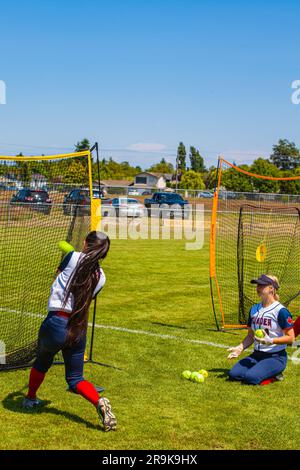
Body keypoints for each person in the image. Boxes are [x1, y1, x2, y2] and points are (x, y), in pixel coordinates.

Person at [22, 231, 117, 432]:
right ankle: (99, 402)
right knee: (75, 380)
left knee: (41, 363)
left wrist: (70, 258)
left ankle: (30, 398)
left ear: (85, 243)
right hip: (78, 328)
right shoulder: (102, 277)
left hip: (56, 322)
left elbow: (57, 277)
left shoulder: (72, 257)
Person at [227, 274, 295, 385]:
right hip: (256, 355)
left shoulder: (280, 311)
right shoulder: (254, 309)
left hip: (276, 357)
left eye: (262, 285)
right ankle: (261, 370)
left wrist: (271, 341)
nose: (258, 288)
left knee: (250, 378)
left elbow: (291, 338)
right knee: (234, 374)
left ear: (271, 288)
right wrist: (240, 348)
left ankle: (276, 374)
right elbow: (251, 335)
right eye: (257, 285)